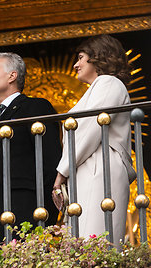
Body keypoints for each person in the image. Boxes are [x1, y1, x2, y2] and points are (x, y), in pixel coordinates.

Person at [52, 35, 135, 243]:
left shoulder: (109, 83)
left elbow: (90, 128)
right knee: (86, 242)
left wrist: (61, 173)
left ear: (97, 57)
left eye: (81, 57)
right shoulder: (101, 86)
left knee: (94, 241)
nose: (75, 64)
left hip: (100, 165)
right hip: (92, 165)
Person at [0, 52, 62, 242]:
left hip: (24, 212)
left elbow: (49, 162)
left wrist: (45, 215)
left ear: (12, 76)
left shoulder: (35, 107)